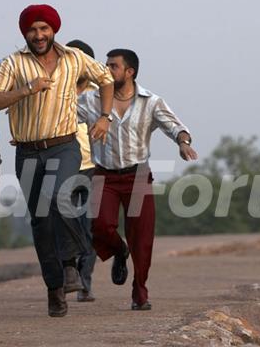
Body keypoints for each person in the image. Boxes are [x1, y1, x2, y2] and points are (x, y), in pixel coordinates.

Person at [0, 4, 114, 317]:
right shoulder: (13, 64)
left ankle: (71, 265)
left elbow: (106, 78)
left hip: (65, 146)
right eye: (32, 30)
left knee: (59, 195)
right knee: (40, 222)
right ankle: (55, 290)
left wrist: (106, 117)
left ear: (54, 29)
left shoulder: (74, 58)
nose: (38, 35)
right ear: (24, 33)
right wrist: (25, 90)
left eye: (44, 29)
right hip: (28, 151)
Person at [78, 48, 198, 311]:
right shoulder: (90, 101)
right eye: (105, 65)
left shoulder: (151, 101)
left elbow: (175, 125)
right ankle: (120, 252)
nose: (106, 71)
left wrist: (183, 142)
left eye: (113, 66)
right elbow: (62, 120)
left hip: (138, 176)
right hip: (104, 175)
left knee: (142, 238)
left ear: (129, 72)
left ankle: (139, 290)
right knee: (99, 227)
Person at [65, 39, 99, 302]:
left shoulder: (102, 93)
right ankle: (67, 275)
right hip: (61, 167)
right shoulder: (54, 90)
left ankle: (84, 282)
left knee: (90, 227)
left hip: (93, 168)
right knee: (64, 224)